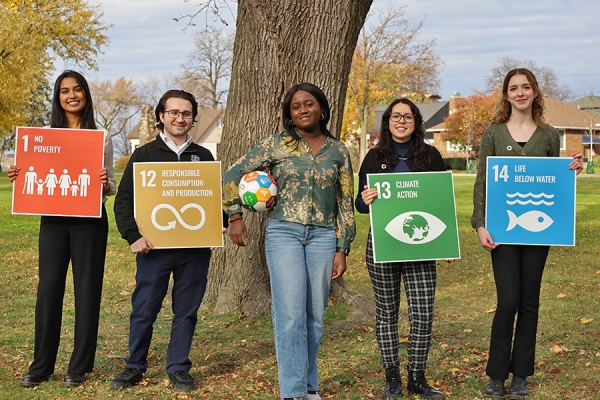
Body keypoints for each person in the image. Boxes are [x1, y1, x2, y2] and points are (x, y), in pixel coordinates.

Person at [222, 83, 355, 400]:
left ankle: (310, 386)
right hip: (284, 233)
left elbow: (345, 203)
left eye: (309, 104)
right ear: (289, 115)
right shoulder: (277, 145)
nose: (303, 110)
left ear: (322, 108)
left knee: (315, 316)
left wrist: (342, 248)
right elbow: (232, 173)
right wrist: (235, 216)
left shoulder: (339, 152)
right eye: (296, 107)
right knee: (291, 314)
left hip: (323, 236)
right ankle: (293, 392)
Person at [471, 68, 583, 399]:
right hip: (502, 233)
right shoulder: (493, 133)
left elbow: (553, 181)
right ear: (506, 95)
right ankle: (496, 374)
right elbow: (482, 182)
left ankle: (521, 374)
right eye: (513, 88)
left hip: (538, 233)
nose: (520, 93)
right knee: (507, 301)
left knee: (529, 301)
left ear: (535, 92)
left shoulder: (549, 136)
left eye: (526, 87)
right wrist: (480, 223)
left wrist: (572, 169)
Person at [111, 89, 224, 392]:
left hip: (194, 251)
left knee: (186, 310)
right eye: (173, 112)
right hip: (153, 249)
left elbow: (211, 201)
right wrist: (133, 236)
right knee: (145, 308)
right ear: (161, 116)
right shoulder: (144, 154)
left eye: (186, 113)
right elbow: (122, 203)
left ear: (193, 118)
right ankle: (134, 365)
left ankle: (178, 367)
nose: (180, 118)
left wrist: (217, 228)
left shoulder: (204, 156)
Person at [8, 70, 116, 387]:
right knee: (49, 289)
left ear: (86, 95)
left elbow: (107, 187)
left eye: (78, 89)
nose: (72, 95)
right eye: (65, 90)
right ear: (58, 97)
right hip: (54, 220)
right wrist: (18, 173)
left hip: (90, 221)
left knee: (87, 291)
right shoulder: (42, 135)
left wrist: (105, 183)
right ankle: (41, 366)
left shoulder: (103, 135)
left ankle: (79, 366)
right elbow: (32, 176)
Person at [355, 98, 447, 400]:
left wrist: (446, 242)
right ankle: (392, 378)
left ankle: (417, 377)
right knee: (387, 314)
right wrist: (365, 199)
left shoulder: (432, 156)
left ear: (416, 121)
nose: (401, 121)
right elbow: (360, 205)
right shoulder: (373, 157)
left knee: (422, 313)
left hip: (421, 246)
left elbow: (441, 203)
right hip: (384, 245)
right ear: (387, 122)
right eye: (396, 116)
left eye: (407, 116)